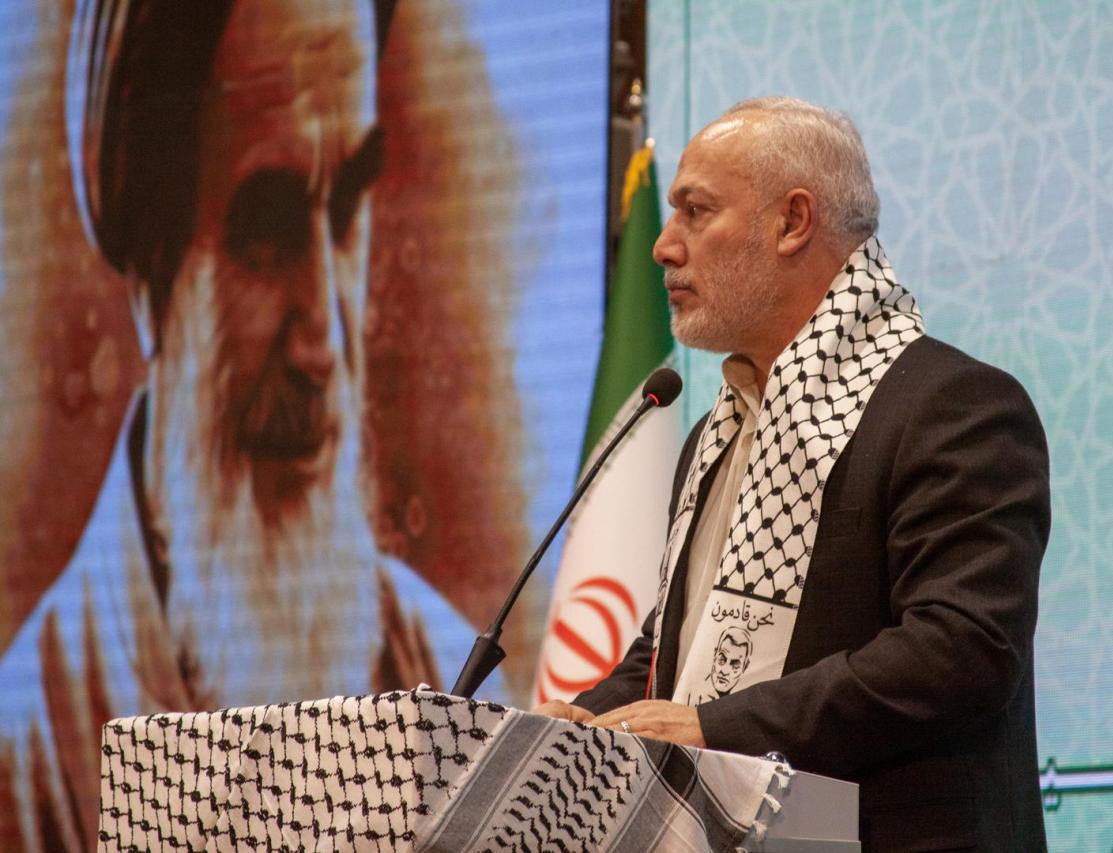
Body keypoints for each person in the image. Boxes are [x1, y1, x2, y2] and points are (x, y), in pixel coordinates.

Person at [0, 1, 496, 849]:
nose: (324, 345)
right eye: (266, 231)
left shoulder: (454, 682)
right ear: (153, 271)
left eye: (347, 206)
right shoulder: (22, 765)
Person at [534, 97, 1050, 851]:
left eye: (695, 212)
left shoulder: (950, 406)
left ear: (793, 222)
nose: (663, 247)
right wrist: (577, 728)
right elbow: (677, 654)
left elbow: (960, 649)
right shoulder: (714, 434)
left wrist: (716, 729)